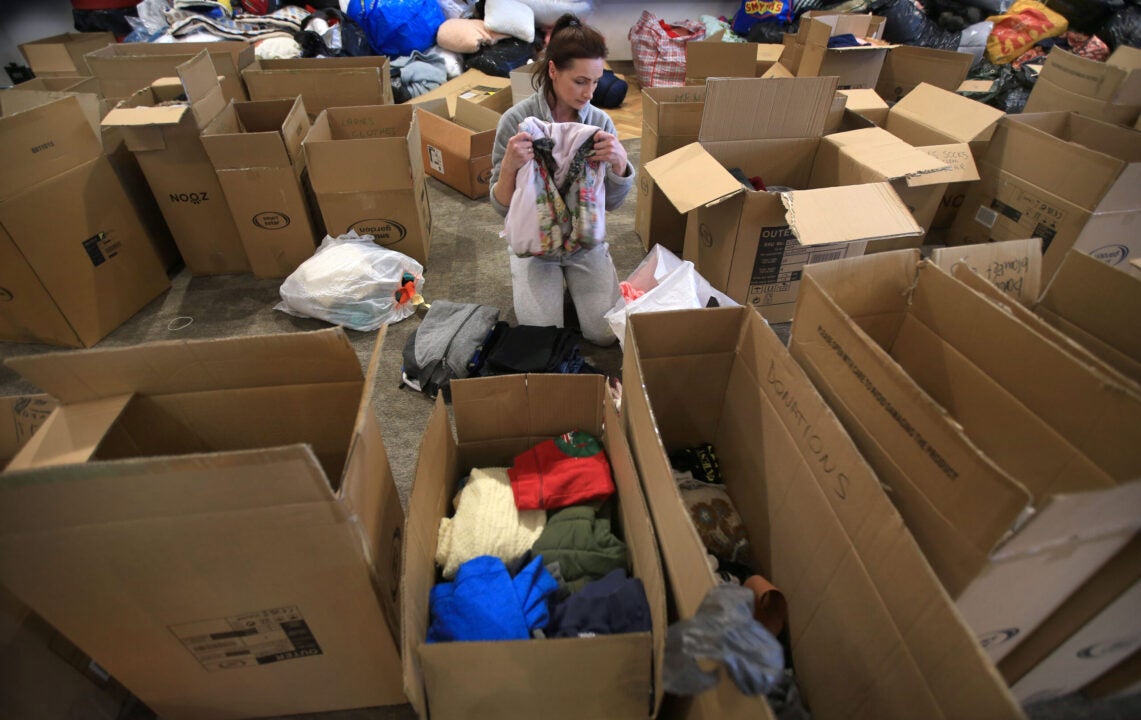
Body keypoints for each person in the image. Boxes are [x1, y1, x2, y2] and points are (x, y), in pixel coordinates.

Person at [488, 13, 635, 347]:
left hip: (584, 242)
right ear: (553, 71)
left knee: (604, 335)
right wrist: (510, 166)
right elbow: (500, 207)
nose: (589, 92)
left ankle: (582, 277)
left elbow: (612, 203)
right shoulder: (516, 121)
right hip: (535, 244)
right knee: (543, 337)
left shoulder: (599, 122)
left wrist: (621, 163)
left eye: (596, 82)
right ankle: (538, 276)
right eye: (580, 81)